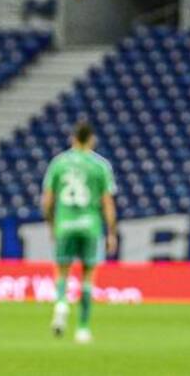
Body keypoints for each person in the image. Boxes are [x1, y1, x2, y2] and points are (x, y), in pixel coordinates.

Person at [42, 120, 118, 343]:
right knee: (87, 276)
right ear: (92, 139)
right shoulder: (100, 165)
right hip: (90, 226)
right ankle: (83, 329)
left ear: (73, 138)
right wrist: (111, 232)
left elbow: (47, 201)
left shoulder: (58, 163)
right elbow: (107, 203)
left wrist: (51, 224)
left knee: (62, 270)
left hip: (65, 224)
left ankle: (61, 303)